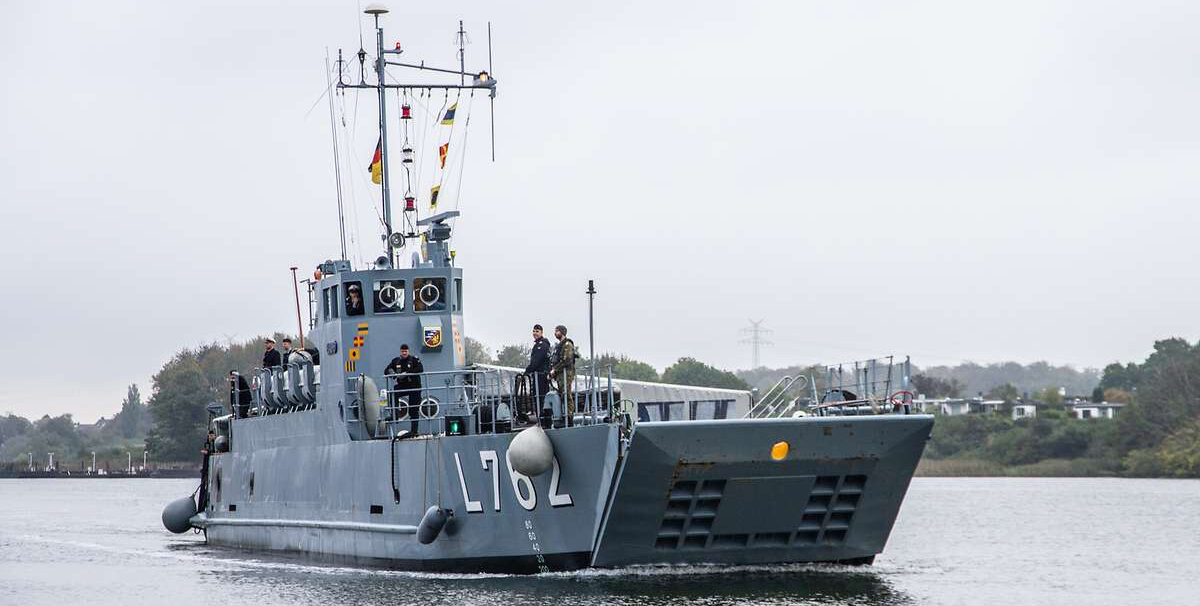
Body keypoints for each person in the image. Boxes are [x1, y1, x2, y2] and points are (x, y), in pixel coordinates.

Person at [385, 344, 424, 434]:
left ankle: (414, 431)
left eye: (405, 351)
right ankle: (395, 415)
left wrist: (406, 373)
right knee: (394, 392)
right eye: (402, 351)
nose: (404, 353)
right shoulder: (396, 361)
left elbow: (420, 369)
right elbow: (386, 370)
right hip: (404, 385)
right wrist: (392, 373)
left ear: (408, 351)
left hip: (414, 386)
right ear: (400, 352)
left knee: (413, 409)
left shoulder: (414, 359)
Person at [549, 324, 578, 420]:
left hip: (566, 373)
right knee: (562, 394)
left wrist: (555, 369)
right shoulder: (559, 346)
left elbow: (567, 360)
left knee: (566, 394)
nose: (555, 333)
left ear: (562, 332)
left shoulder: (567, 344)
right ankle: (564, 414)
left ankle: (569, 416)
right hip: (560, 374)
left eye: (557, 331)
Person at [525, 324, 552, 421]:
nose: (535, 333)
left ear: (541, 332)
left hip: (541, 376)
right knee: (539, 397)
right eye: (534, 331)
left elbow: (536, 361)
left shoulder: (542, 345)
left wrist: (527, 371)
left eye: (537, 331)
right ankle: (541, 417)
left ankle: (543, 418)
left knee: (541, 397)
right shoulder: (538, 344)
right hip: (538, 376)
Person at [198, 429, 216, 511]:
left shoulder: (214, 443)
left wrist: (208, 452)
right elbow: (206, 451)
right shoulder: (207, 444)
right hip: (206, 467)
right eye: (210, 435)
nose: (211, 437)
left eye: (212, 435)